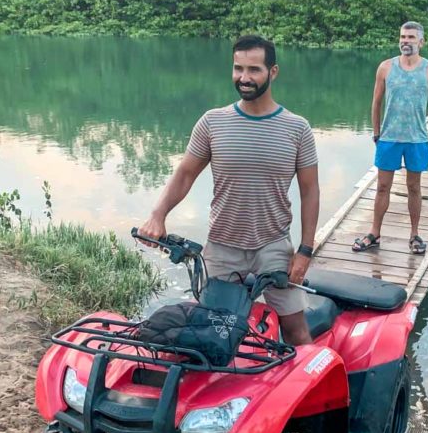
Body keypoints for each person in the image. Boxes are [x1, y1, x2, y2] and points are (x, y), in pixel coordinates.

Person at [137, 34, 319, 346]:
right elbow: (185, 174)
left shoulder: (297, 128)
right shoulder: (213, 122)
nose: (244, 78)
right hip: (222, 246)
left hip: (273, 245)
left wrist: (304, 250)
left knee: (296, 331)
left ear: (272, 72)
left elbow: (310, 191)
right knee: (208, 333)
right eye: (238, 69)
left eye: (254, 70)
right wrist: (157, 215)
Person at [352, 21, 428, 256]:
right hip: (389, 138)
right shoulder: (386, 67)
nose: (406, 41)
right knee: (382, 186)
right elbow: (376, 103)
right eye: (403, 37)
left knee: (414, 187)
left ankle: (414, 235)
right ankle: (374, 233)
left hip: (417, 140)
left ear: (421, 42)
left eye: (411, 37)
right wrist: (376, 133)